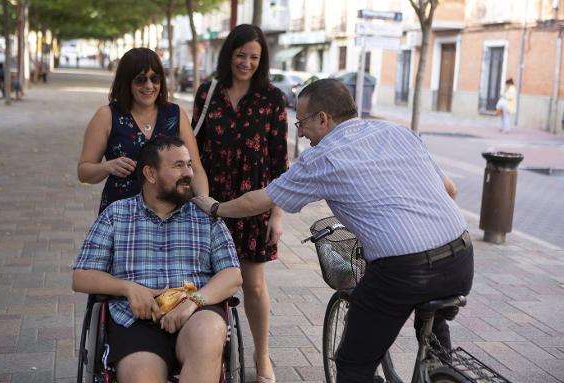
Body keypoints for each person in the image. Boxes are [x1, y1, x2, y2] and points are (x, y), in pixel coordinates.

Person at [193, 78, 474, 383]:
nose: (299, 131)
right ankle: (441, 369)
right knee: (432, 325)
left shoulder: (322, 157)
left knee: (353, 365)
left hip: (403, 272)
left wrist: (216, 207)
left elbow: (257, 201)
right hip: (461, 257)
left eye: (301, 122)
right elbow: (450, 190)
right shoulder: (397, 131)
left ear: (323, 119)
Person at [73, 136, 242, 383]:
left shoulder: (205, 217)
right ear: (150, 174)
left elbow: (232, 274)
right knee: (142, 376)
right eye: (178, 166)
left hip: (195, 312)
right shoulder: (117, 215)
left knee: (209, 331)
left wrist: (193, 302)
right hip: (136, 321)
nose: (188, 173)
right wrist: (128, 288)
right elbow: (81, 276)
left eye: (189, 165)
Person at [191, 24, 288, 383]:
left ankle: (262, 357)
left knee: (254, 285)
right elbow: (193, 149)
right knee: (206, 280)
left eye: (253, 57)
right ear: (228, 53)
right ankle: (205, 350)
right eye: (240, 54)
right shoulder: (208, 92)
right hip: (209, 204)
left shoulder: (272, 99)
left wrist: (277, 214)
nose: (245, 62)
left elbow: (280, 163)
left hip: (252, 206)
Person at [78, 47, 208, 214]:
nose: (149, 86)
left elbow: (196, 169)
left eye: (155, 79)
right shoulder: (107, 115)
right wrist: (107, 167)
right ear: (126, 82)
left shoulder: (175, 114)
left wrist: (205, 204)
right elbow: (84, 172)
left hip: (172, 215)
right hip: (122, 216)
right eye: (140, 79)